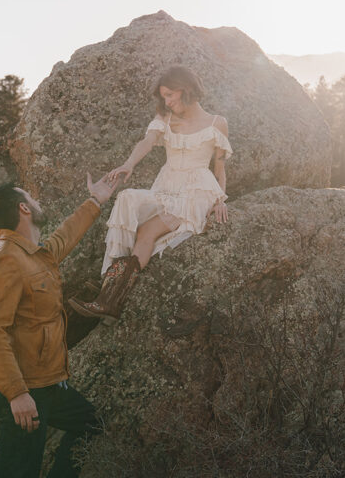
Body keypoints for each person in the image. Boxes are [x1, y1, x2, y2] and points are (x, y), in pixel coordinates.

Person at [0, 174, 119, 478]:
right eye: (32, 198)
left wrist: (96, 200)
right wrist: (17, 393)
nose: (39, 202)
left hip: (51, 384)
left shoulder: (35, 255)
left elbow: (63, 238)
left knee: (90, 423)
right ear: (24, 208)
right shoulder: (6, 259)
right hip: (26, 392)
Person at [69, 65, 232, 324]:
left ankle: (110, 298)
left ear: (186, 89)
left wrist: (221, 200)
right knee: (127, 199)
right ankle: (109, 291)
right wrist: (129, 164)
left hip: (196, 191)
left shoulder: (217, 123)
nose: (166, 101)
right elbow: (146, 142)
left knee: (146, 231)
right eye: (163, 97)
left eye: (170, 95)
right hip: (167, 186)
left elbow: (220, 169)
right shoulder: (165, 118)